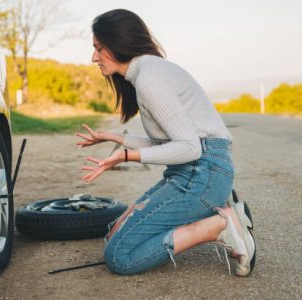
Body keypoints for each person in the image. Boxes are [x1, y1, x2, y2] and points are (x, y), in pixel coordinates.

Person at [76, 9, 255, 276]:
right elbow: (166, 141)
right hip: (195, 172)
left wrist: (125, 157)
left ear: (118, 42)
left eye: (99, 48)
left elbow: (190, 147)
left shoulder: (149, 77)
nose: (94, 57)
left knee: (119, 256)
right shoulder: (148, 72)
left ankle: (219, 225)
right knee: (114, 232)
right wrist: (115, 138)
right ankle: (219, 215)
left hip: (201, 175)